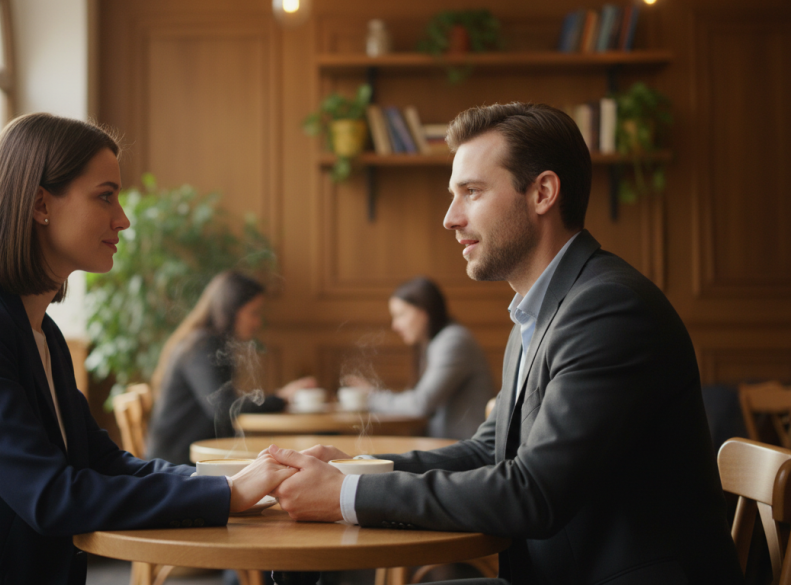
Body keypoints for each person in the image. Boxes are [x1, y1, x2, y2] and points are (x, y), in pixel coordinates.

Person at [267, 103, 742, 584]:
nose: (451, 218)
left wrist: (348, 497)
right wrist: (358, 470)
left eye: (470, 192)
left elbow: (534, 493)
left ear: (542, 193)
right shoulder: (538, 311)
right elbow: (487, 453)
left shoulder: (609, 310)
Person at [0, 113, 295, 585]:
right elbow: (50, 496)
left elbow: (103, 463)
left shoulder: (42, 333)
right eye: (106, 196)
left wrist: (229, 479)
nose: (122, 218)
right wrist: (228, 494)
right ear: (41, 203)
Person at [146, 271, 317, 465]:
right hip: (177, 465)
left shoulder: (206, 342)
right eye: (253, 313)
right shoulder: (203, 346)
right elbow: (223, 408)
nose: (257, 322)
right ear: (230, 311)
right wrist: (281, 397)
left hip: (192, 458)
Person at [346, 276, 494, 439]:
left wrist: (370, 397)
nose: (395, 325)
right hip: (450, 447)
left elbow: (420, 404)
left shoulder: (453, 341)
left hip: (467, 452)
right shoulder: (434, 343)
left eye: (400, 315)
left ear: (424, 312)